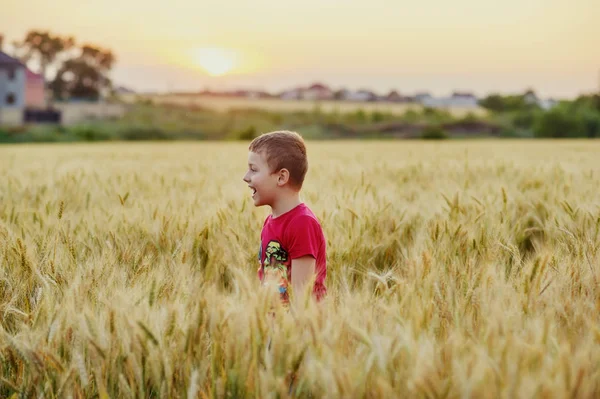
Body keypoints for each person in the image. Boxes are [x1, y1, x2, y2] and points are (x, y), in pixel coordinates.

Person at [242, 130, 327, 308]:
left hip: (299, 331)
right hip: (274, 327)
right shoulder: (270, 222)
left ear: (281, 177)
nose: (246, 177)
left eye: (253, 169)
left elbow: (301, 297)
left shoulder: (302, 223)